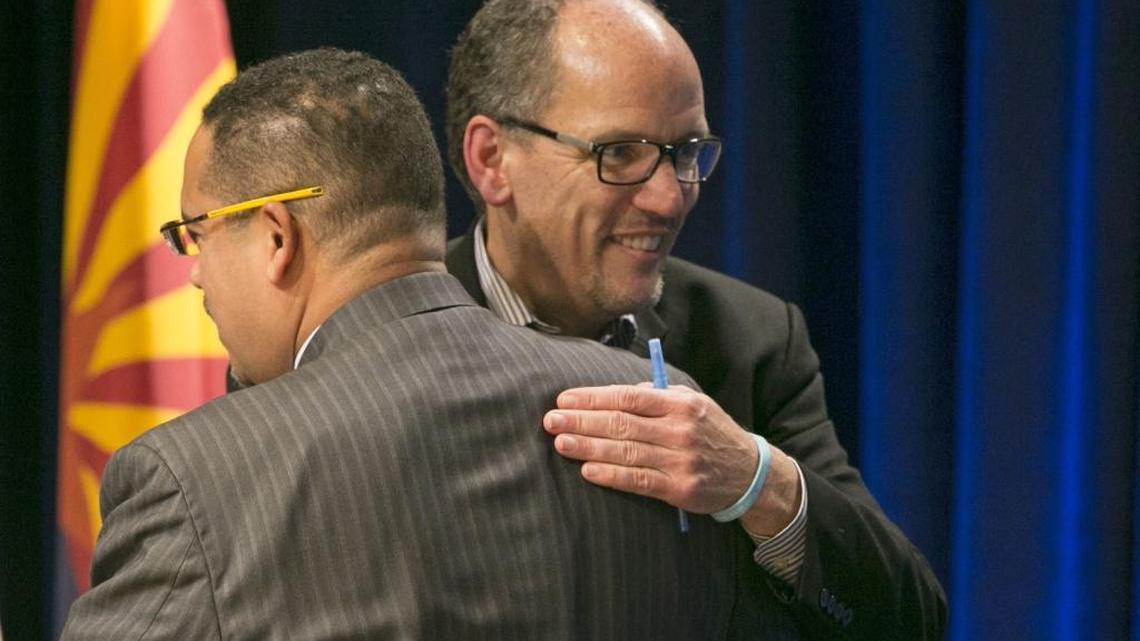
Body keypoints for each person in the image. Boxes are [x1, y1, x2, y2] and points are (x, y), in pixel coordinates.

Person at [60, 48, 744, 640]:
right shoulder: (659, 419)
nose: (195, 272)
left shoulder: (191, 479)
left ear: (276, 236)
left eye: (195, 233)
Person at [443, 0, 947, 638]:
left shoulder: (749, 344)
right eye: (620, 153)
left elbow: (909, 620)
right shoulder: (368, 341)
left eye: (687, 152)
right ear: (492, 159)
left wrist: (759, 482)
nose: (670, 196)